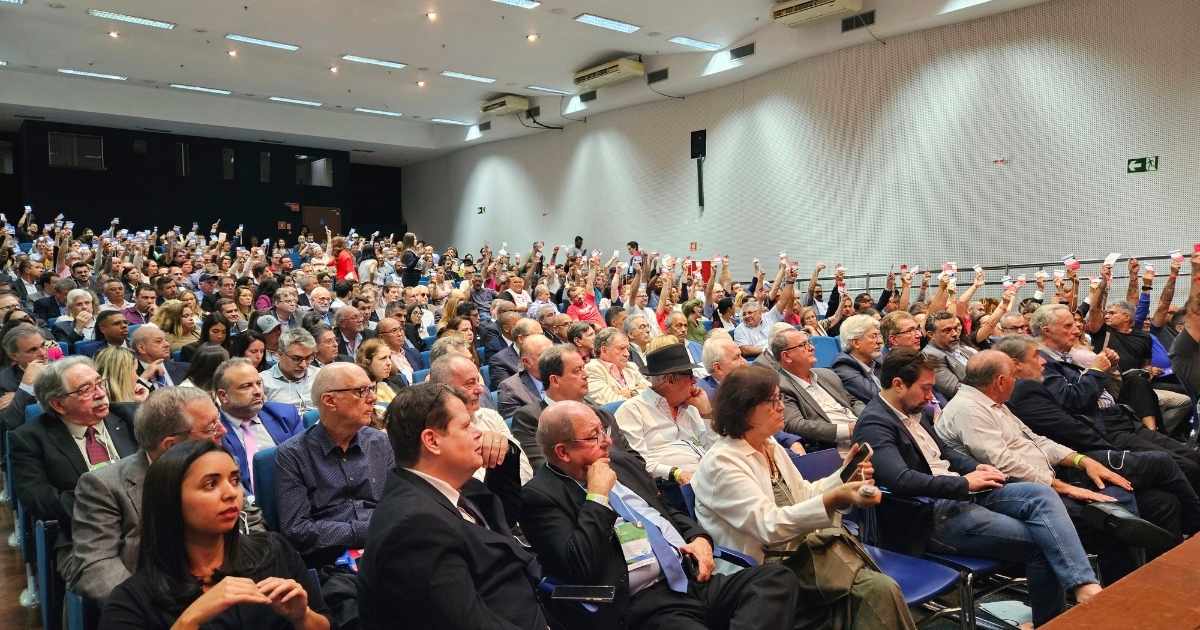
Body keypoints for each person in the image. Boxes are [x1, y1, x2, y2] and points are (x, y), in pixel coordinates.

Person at [852, 347, 1102, 626]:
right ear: (898, 384)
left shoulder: (914, 410)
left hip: (960, 494)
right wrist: (963, 482)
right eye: (925, 388)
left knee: (1040, 493)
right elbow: (900, 480)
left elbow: (945, 452)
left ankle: (1084, 585)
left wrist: (974, 468)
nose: (930, 396)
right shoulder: (875, 424)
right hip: (929, 515)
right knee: (1042, 542)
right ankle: (1052, 620)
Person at [521, 400, 806, 630]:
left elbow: (666, 511)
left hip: (690, 577)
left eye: (603, 430)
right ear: (563, 452)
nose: (606, 441)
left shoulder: (619, 462)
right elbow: (579, 565)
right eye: (593, 436)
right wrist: (597, 497)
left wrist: (699, 538)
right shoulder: (540, 497)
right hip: (646, 600)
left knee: (775, 580)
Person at [691, 366, 915, 629]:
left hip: (799, 557)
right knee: (876, 590)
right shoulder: (722, 463)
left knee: (879, 589)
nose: (781, 407)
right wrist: (833, 498)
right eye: (772, 401)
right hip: (762, 576)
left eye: (780, 399)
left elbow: (802, 494)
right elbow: (769, 526)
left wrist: (843, 477)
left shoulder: (769, 445)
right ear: (743, 409)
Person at [937, 350, 1190, 579]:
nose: (1017, 380)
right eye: (1014, 376)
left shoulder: (993, 403)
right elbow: (1004, 463)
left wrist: (1082, 461)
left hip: (1051, 478)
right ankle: (1128, 589)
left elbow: (1037, 441)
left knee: (1161, 502)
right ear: (1000, 381)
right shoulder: (968, 410)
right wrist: (1064, 487)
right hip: (1022, 493)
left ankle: (1166, 573)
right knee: (1111, 516)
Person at [358, 382, 543, 630]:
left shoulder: (459, 487)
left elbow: (503, 522)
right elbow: (467, 623)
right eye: (466, 426)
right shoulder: (415, 527)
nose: (479, 433)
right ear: (432, 441)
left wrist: (503, 454)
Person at [98, 440, 330, 630]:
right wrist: (190, 620)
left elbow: (325, 624)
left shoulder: (273, 550)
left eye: (235, 480)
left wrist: (302, 617)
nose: (231, 493)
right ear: (170, 500)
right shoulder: (132, 601)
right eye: (210, 484)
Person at [68, 387, 226, 601]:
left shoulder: (220, 467)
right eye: (211, 428)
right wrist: (150, 608)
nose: (223, 431)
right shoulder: (103, 487)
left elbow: (251, 526)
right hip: (153, 602)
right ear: (171, 445)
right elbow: (97, 566)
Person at [11, 356, 139, 580]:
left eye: (99, 383)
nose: (100, 394)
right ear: (58, 404)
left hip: (146, 527)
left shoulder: (131, 416)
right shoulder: (29, 439)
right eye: (85, 390)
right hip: (84, 538)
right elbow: (41, 500)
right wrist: (110, 508)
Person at [277, 363, 393, 570]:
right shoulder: (293, 454)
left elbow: (399, 502)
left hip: (387, 546)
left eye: (371, 389)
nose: (373, 398)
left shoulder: (379, 441)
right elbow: (297, 530)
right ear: (330, 401)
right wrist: (367, 530)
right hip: (332, 563)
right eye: (361, 391)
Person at [511, 344, 635, 469]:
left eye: (583, 368)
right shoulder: (529, 418)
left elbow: (634, 459)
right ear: (555, 380)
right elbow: (545, 468)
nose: (586, 375)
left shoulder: (599, 412)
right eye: (577, 370)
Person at [615, 342, 715, 485]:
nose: (695, 380)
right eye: (690, 375)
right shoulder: (632, 410)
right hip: (673, 486)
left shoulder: (692, 406)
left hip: (710, 477)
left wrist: (707, 413)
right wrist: (674, 473)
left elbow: (715, 449)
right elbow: (636, 463)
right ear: (670, 379)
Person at [428, 354, 532, 486]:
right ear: (443, 388)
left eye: (478, 380)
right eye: (470, 383)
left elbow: (525, 470)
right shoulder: (437, 434)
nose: (480, 389)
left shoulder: (491, 416)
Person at [214, 358, 305, 495]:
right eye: (246, 386)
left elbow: (306, 462)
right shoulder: (215, 432)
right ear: (223, 396)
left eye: (258, 383)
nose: (258, 391)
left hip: (294, 494)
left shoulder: (285, 415)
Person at [772, 328, 863, 452]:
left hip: (864, 433)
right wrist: (847, 430)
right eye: (803, 345)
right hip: (836, 448)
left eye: (809, 343)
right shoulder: (779, 386)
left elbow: (852, 401)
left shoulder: (827, 374)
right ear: (786, 356)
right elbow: (795, 424)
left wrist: (867, 420)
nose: (812, 348)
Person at [921, 310, 978, 401]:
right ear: (931, 335)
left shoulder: (960, 347)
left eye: (955, 328)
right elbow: (956, 389)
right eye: (947, 330)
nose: (955, 334)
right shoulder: (930, 355)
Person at [585, 327, 650, 405]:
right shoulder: (592, 369)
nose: (627, 354)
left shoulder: (631, 366)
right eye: (621, 348)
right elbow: (612, 402)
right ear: (604, 350)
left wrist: (631, 392)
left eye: (627, 349)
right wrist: (638, 389)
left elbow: (651, 391)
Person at [261, 327, 320, 412]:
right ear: (279, 354)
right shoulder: (263, 382)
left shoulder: (320, 375)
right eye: (296, 359)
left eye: (308, 358)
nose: (303, 365)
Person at [496, 333, 552, 419]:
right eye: (545, 355)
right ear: (526, 362)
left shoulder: (564, 376)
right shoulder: (510, 389)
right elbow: (519, 424)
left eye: (554, 353)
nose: (553, 358)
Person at [831, 314, 884, 405]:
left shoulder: (878, 360)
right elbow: (875, 397)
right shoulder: (843, 366)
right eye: (873, 336)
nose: (880, 341)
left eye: (879, 336)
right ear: (856, 343)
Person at [487, 315, 539, 390]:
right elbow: (508, 391)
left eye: (542, 335)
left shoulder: (546, 353)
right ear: (521, 339)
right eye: (536, 336)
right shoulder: (499, 361)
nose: (542, 339)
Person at [130, 324, 189, 390]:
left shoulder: (186, 369)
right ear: (141, 348)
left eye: (166, 340)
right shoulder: (128, 377)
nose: (167, 344)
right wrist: (144, 378)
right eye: (158, 341)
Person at [355, 338, 400, 423]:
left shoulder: (395, 382)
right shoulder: (359, 392)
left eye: (389, 357)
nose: (389, 363)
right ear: (367, 361)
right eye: (383, 358)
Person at [697, 334, 745, 406]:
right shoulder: (707, 396)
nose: (744, 362)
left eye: (741, 355)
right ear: (718, 368)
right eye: (737, 357)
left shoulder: (749, 380)